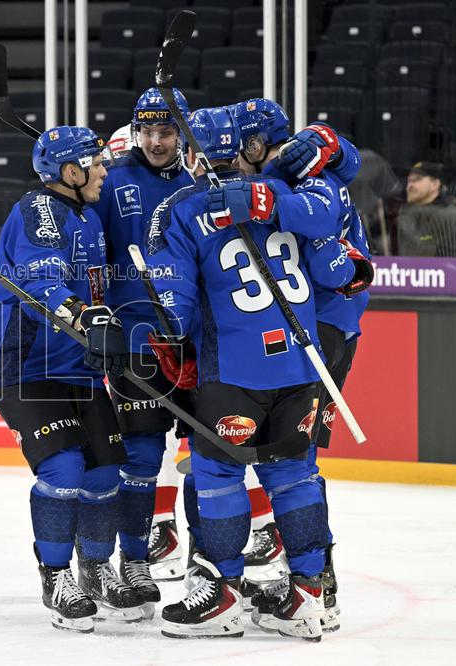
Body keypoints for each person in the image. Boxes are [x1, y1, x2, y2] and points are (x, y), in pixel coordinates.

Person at [145, 105, 355, 641]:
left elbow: (175, 304)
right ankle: (308, 595)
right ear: (242, 149)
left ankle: (222, 595)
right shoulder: (284, 194)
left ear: (193, 155)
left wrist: (167, 342)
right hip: (301, 364)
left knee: (218, 476)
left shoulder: (181, 208)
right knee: (295, 476)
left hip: (232, 370)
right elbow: (334, 263)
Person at [0, 125, 142, 633]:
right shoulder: (40, 211)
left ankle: (95, 568)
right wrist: (84, 317)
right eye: (96, 163)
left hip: (77, 363)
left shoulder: (86, 213)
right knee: (64, 468)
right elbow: (42, 279)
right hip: (25, 365)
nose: (104, 171)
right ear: (70, 172)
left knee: (105, 472)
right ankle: (56, 576)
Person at [236, 101, 375, 633]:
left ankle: (320, 585)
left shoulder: (304, 180)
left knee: (297, 461)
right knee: (293, 459)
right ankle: (313, 579)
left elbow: (329, 251)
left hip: (323, 330)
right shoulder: (304, 170)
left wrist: (329, 147)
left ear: (256, 145)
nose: (234, 156)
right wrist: (331, 145)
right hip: (321, 326)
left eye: (240, 146)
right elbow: (345, 162)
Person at [88, 87, 195, 602]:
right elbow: (86, 248)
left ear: (183, 133)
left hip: (195, 339)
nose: (155, 141)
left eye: (166, 131)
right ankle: (133, 561)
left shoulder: (199, 183)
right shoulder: (113, 181)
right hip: (136, 336)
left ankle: (210, 564)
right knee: (144, 454)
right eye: (147, 130)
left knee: (209, 454)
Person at [397, 161, 456, 256]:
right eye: (409, 181)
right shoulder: (407, 214)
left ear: (435, 185)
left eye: (417, 179)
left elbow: (451, 261)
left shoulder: (449, 215)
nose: (410, 186)